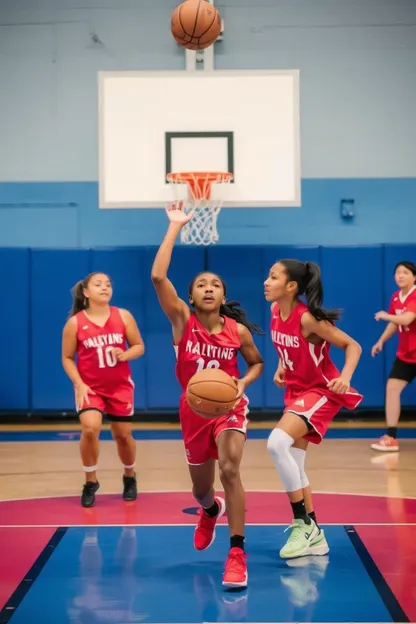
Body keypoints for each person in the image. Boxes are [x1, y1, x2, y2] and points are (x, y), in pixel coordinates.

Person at [151, 206, 264, 588]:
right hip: (193, 410)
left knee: (231, 469)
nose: (209, 288)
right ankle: (210, 510)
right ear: (191, 296)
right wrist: (175, 226)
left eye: (215, 283)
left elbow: (256, 364)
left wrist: (243, 384)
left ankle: (236, 553)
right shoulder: (182, 321)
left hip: (230, 405)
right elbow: (157, 275)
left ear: (224, 294)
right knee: (201, 489)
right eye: (201, 284)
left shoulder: (238, 331)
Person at [264, 259, 363, 559]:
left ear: (291, 286)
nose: (266, 282)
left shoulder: (307, 319)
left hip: (320, 390)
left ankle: (300, 523)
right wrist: (283, 366)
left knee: (276, 443)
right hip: (295, 392)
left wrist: (344, 379)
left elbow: (352, 346)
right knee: (295, 462)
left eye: (273, 277)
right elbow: (289, 347)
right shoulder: (274, 311)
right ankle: (316, 535)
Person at [62, 272, 145, 508]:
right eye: (98, 284)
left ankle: (129, 475)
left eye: (108, 284)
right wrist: (79, 383)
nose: (105, 288)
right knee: (90, 428)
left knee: (123, 436)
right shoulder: (75, 323)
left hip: (120, 387)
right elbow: (67, 358)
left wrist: (126, 354)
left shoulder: (123, 316)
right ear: (86, 292)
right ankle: (91, 481)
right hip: (91, 389)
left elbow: (139, 346)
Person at [371, 261, 416, 452]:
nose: (400, 276)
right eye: (397, 272)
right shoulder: (396, 297)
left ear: (414, 277)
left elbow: (407, 318)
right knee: (392, 389)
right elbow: (395, 323)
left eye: (405, 272)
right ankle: (391, 437)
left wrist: (385, 315)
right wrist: (381, 341)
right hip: (406, 355)